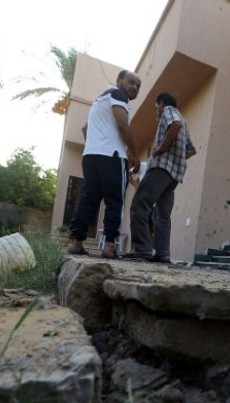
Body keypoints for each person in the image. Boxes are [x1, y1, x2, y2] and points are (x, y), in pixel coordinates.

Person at [66, 69, 141, 258]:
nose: (134, 87)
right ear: (119, 81)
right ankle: (109, 246)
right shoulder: (118, 95)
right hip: (112, 155)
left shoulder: (99, 101)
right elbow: (123, 125)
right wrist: (134, 154)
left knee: (88, 199)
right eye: (131, 82)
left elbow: (85, 129)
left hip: (90, 155)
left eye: (138, 86)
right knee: (115, 201)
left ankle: (76, 243)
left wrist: (95, 144)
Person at [123, 92, 195, 263]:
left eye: (156, 106)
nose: (156, 110)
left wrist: (162, 149)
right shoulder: (185, 120)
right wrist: (175, 158)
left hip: (160, 169)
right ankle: (163, 253)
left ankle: (143, 249)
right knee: (162, 214)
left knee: (140, 204)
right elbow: (190, 150)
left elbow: (174, 125)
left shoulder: (168, 111)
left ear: (161, 103)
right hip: (174, 175)